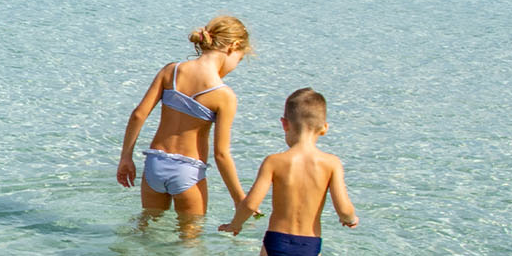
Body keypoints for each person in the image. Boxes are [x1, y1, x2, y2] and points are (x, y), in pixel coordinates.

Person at [116, 16, 251, 225]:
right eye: (239, 60)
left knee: (146, 231)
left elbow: (138, 115)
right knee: (190, 243)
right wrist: (239, 198)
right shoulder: (224, 95)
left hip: (155, 164)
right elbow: (221, 154)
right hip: (188, 171)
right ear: (233, 47)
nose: (234, 67)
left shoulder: (171, 71)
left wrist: (126, 157)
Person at [218, 89, 359, 255]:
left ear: (285, 124)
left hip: (277, 241)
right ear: (324, 128)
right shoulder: (331, 163)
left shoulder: (274, 161)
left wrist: (235, 224)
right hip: (309, 244)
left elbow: (250, 204)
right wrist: (350, 219)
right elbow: (344, 209)